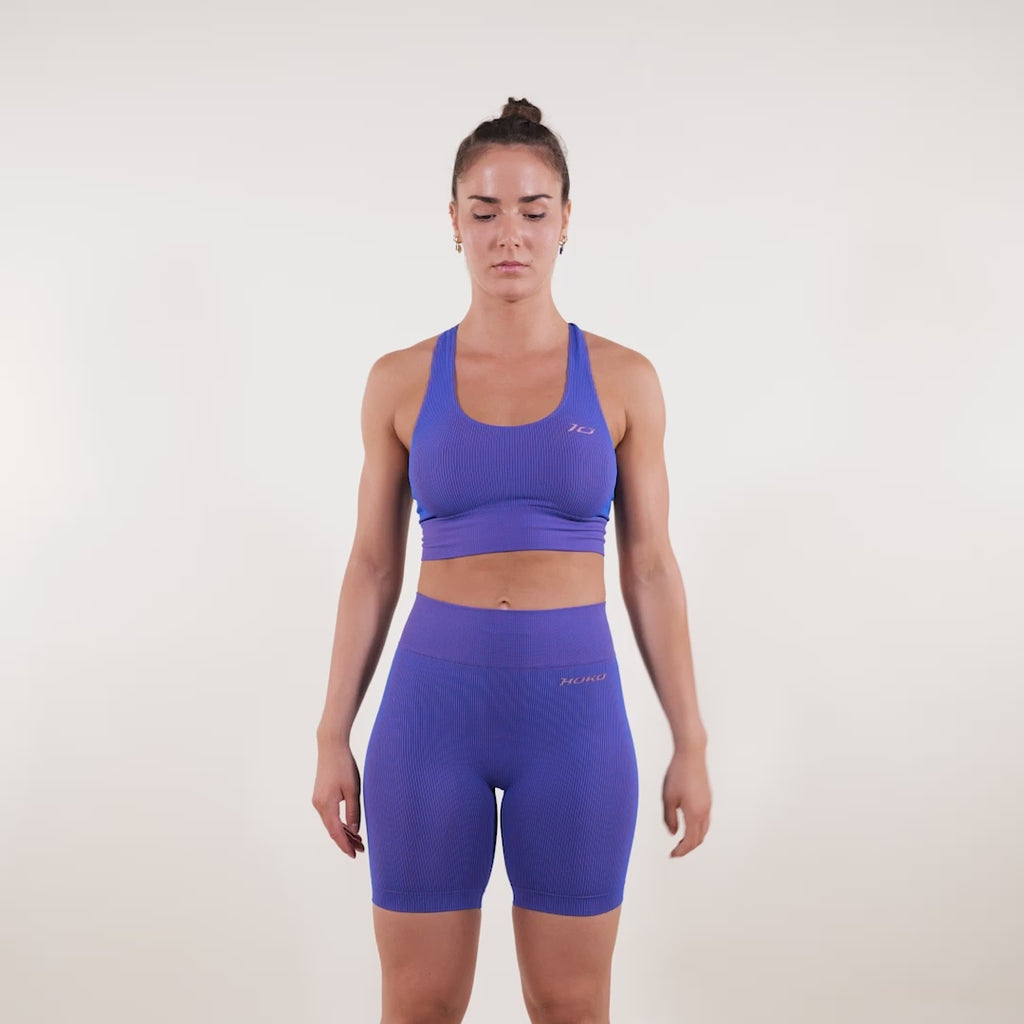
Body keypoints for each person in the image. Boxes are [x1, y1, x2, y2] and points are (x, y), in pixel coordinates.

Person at [312, 96, 711, 1024]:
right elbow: (372, 566)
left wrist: (691, 739)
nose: (509, 234)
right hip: (429, 719)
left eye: (533, 210)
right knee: (418, 1003)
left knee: (571, 1003)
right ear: (453, 221)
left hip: (574, 723)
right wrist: (332, 733)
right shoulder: (400, 380)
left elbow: (651, 568)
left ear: (566, 220)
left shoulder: (624, 379)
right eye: (484, 210)